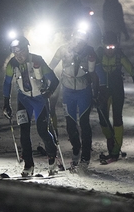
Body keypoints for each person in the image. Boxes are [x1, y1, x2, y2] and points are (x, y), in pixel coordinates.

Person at [2, 36, 60, 176]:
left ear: (27, 49)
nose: (18, 56)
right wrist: (6, 103)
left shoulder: (37, 60)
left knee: (42, 131)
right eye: (15, 53)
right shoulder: (12, 64)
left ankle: (52, 158)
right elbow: (7, 83)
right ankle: (28, 165)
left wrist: (48, 92)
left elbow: (55, 80)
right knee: (24, 133)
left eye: (20, 52)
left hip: (40, 99)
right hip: (24, 100)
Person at [49, 29, 103, 167]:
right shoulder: (63, 50)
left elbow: (95, 75)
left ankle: (85, 156)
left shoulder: (90, 52)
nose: (79, 44)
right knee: (70, 124)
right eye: (77, 40)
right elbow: (50, 67)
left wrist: (96, 93)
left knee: (84, 123)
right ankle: (76, 148)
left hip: (83, 92)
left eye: (82, 41)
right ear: (72, 38)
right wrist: (46, 84)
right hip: (67, 91)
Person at [96, 31, 134, 162]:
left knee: (117, 118)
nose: (110, 50)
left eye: (113, 47)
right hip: (104, 91)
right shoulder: (99, 54)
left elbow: (133, 73)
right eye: (108, 47)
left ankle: (115, 151)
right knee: (103, 119)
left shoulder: (120, 56)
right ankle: (111, 139)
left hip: (117, 90)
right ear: (103, 45)